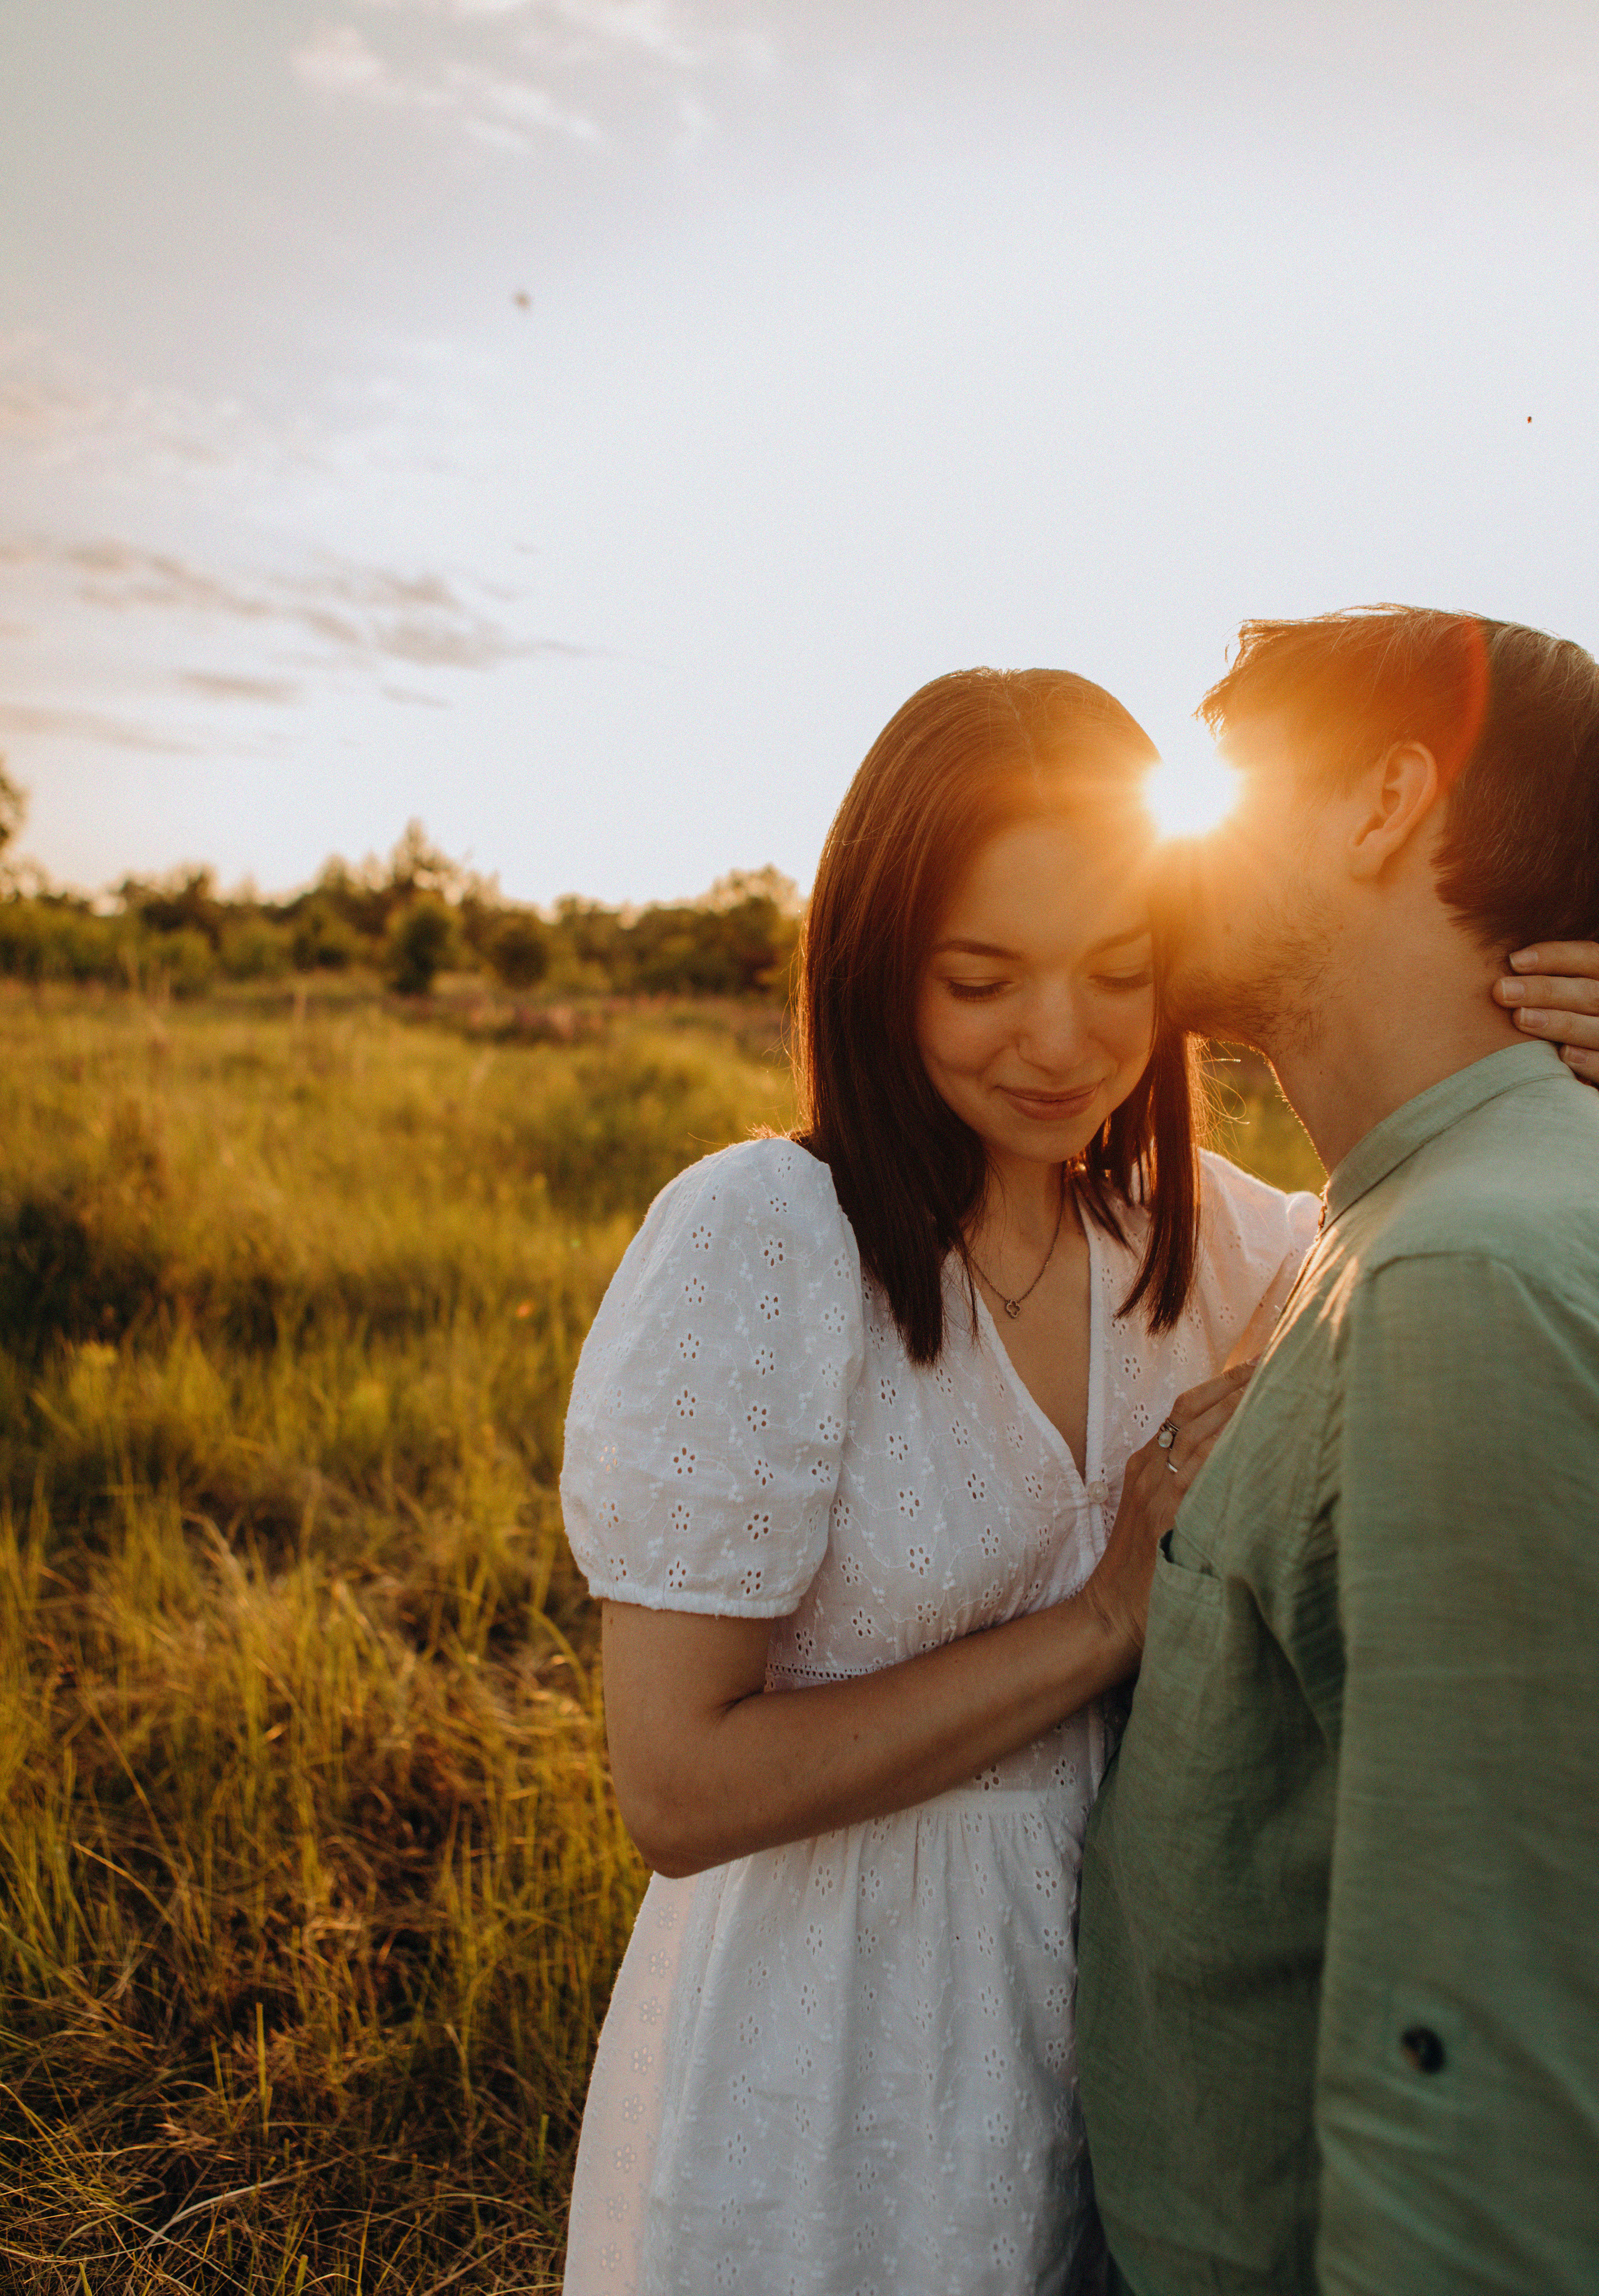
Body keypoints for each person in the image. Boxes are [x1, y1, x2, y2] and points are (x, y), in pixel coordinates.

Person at [555, 658, 1599, 2296]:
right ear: (879, 967)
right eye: (982, 979)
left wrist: (1571, 1071)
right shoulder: (766, 1244)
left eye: (1118, 974)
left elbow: (1461, 1173)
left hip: (1102, 2056)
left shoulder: (1232, 1245)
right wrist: (1106, 1619)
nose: (1061, 1044)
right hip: (832, 2053)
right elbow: (675, 1789)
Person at [1076, 607, 1599, 2295]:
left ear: (1384, 806)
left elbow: (1484, 2062)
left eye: (1222, 773)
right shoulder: (1386, 1223)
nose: (1160, 837)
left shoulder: (1462, 1270)